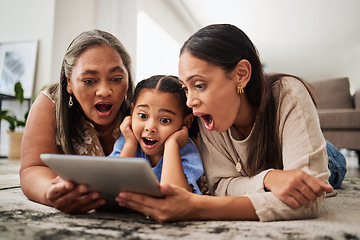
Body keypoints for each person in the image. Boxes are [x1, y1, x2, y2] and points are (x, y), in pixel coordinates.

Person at [116, 24, 346, 222]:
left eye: (200, 85)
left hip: (328, 158)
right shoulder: (207, 115)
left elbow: (308, 200)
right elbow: (221, 186)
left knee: (331, 167)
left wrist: (195, 207)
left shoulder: (288, 95)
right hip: (266, 172)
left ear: (241, 74)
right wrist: (269, 178)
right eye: (186, 88)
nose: (190, 102)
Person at [20, 29, 134, 214]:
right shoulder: (51, 103)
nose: (104, 91)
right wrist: (52, 192)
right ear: (69, 84)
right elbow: (32, 168)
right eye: (89, 81)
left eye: (116, 79)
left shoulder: (143, 107)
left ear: (128, 79)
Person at [110, 75, 204, 194]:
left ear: (186, 122)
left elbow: (176, 197)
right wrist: (130, 144)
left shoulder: (186, 152)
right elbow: (114, 187)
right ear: (133, 111)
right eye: (143, 116)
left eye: (165, 120)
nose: (150, 128)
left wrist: (172, 145)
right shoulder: (127, 141)